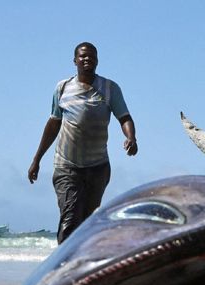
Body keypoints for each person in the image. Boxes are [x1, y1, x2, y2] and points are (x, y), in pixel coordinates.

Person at [28, 42, 137, 244]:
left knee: (88, 224)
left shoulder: (110, 88)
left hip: (98, 167)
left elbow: (124, 117)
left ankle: (84, 267)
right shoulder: (62, 88)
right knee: (70, 220)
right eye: (83, 56)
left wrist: (131, 138)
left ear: (97, 60)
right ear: (75, 60)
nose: (87, 59)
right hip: (67, 166)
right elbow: (53, 124)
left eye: (92, 56)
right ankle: (64, 268)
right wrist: (37, 159)